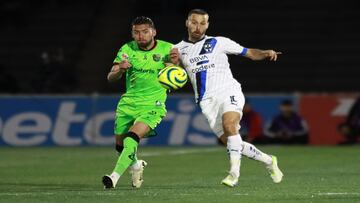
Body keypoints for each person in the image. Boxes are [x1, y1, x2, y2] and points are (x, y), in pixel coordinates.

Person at [170, 9, 283, 187]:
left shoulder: (219, 42)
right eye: (194, 22)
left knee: (230, 126)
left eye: (202, 23)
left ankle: (233, 174)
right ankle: (269, 161)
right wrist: (172, 64)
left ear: (207, 25)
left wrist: (265, 52)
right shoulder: (177, 49)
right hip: (206, 102)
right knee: (231, 141)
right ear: (187, 23)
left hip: (228, 90)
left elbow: (249, 53)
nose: (197, 26)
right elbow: (173, 76)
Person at [102, 16, 173, 189]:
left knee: (132, 138)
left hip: (153, 105)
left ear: (153, 32)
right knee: (120, 147)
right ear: (133, 34)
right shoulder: (127, 49)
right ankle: (135, 165)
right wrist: (119, 69)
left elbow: (177, 75)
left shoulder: (167, 49)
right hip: (128, 104)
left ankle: (114, 177)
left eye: (145, 32)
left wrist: (175, 65)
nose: (140, 36)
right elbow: (110, 77)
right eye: (136, 32)